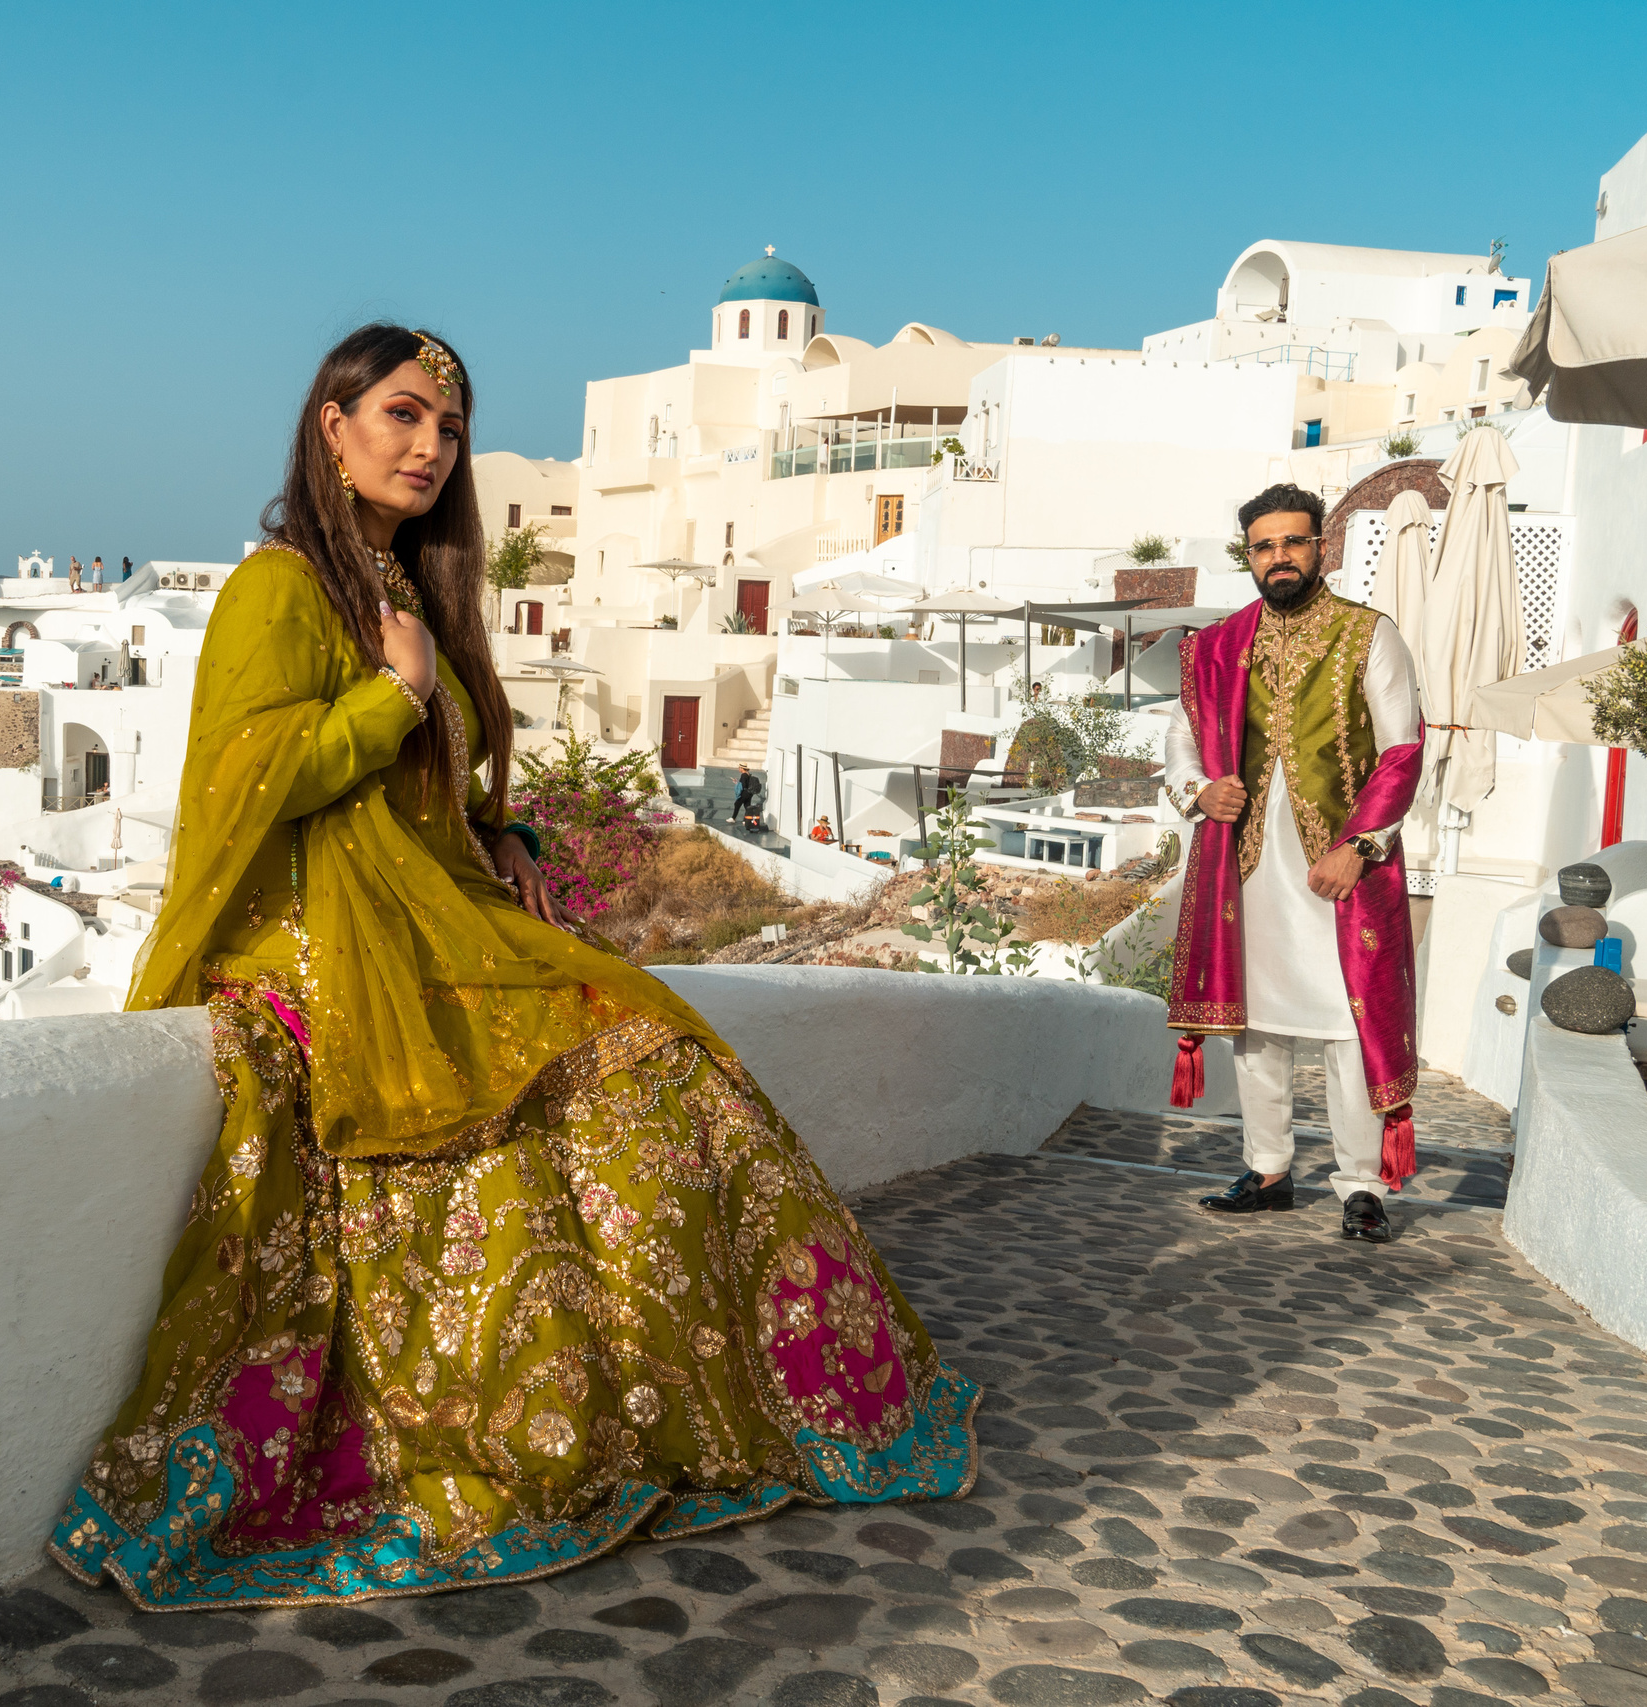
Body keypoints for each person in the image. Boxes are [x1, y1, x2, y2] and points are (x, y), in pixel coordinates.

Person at [47, 325, 976, 1613]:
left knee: (665, 1060)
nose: (431, 446)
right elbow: (243, 782)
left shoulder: (406, 589)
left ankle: (698, 1403)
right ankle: (524, 1434)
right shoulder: (280, 589)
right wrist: (389, 696)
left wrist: (503, 833)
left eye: (451, 427)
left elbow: (428, 788)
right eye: (403, 415)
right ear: (332, 423)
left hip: (432, 916)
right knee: (609, 1065)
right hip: (323, 944)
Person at [1162, 483, 1423, 1244]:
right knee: (1257, 1026)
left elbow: (1403, 751)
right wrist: (1198, 790)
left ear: (1321, 547)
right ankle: (1268, 1167)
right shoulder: (1214, 646)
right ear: (1249, 555)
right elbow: (1181, 738)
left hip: (1342, 871)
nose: (1279, 557)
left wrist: (1358, 845)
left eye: (1293, 542)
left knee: (1348, 1025)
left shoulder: (1370, 635)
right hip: (1243, 868)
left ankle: (1361, 1184)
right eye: (1264, 546)